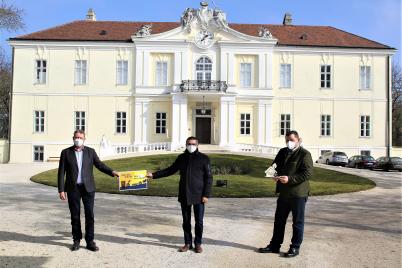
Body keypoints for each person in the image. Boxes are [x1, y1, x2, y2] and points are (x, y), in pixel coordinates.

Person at [147, 136, 213, 253]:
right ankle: (187, 243)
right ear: (186, 144)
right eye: (189, 144)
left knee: (199, 221)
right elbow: (170, 170)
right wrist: (154, 175)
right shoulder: (181, 158)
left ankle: (198, 243)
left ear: (197, 145)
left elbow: (209, 178)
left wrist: (206, 195)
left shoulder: (204, 158)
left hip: (199, 195)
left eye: (193, 144)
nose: (191, 146)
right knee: (186, 221)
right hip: (185, 194)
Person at [58, 130, 119, 252]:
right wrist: (61, 190)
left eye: (80, 137)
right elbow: (61, 172)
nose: (78, 139)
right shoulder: (66, 153)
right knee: (75, 215)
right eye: (76, 137)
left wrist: (112, 172)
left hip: (88, 188)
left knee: (89, 215)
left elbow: (100, 165)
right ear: (73, 138)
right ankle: (76, 240)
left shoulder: (90, 152)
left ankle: (90, 241)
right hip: (73, 188)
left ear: (84, 139)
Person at [259, 130, 313, 257]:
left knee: (297, 222)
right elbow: (274, 166)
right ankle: (274, 245)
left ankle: (295, 247)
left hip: (298, 194)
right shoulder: (283, 152)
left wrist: (290, 179)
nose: (289, 143)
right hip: (283, 193)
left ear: (299, 140)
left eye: (292, 140)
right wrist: (273, 174)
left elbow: (308, 173)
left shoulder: (304, 154)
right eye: (287, 140)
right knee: (279, 221)